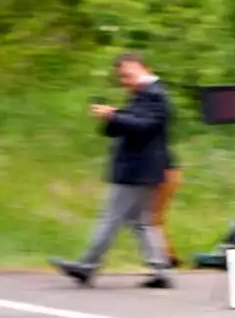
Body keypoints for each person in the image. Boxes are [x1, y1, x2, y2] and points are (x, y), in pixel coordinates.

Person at [50, 51, 174, 288]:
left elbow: (146, 126)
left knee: (110, 218)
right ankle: (160, 269)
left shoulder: (155, 95)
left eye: (128, 75)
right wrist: (112, 118)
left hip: (137, 170)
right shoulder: (143, 95)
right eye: (122, 77)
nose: (124, 81)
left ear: (143, 68)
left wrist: (113, 115)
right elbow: (130, 125)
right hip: (144, 169)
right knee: (142, 221)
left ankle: (87, 266)